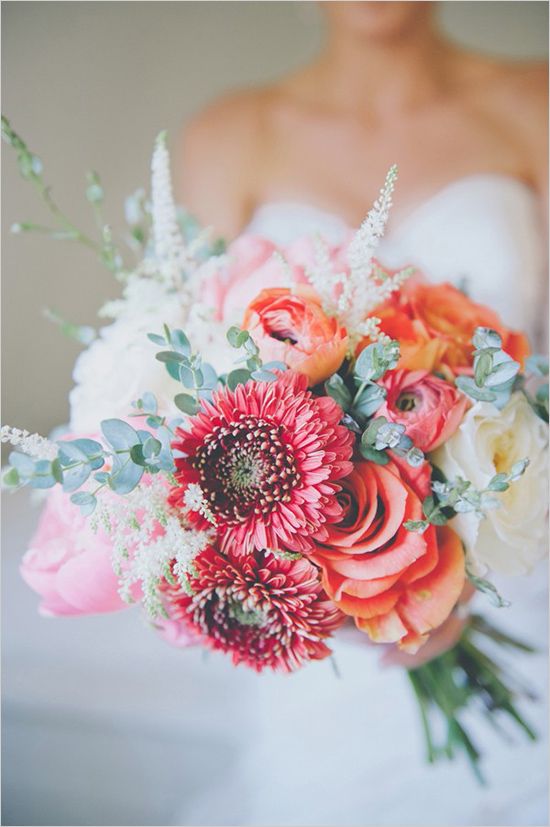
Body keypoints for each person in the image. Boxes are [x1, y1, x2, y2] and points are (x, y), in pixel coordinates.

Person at [175, 3, 548, 823]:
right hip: (327, 650)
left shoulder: (537, 103)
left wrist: (459, 562)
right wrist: (326, 575)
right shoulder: (229, 136)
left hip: (523, 570)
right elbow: (189, 404)